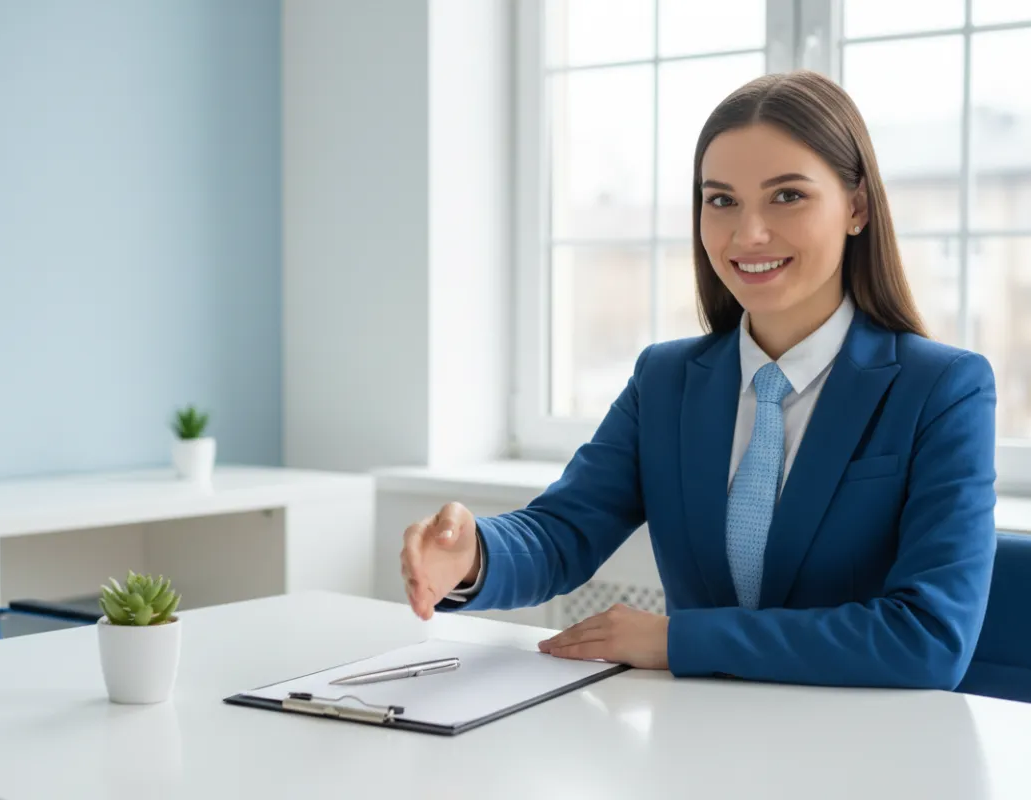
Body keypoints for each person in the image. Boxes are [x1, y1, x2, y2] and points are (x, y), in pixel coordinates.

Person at [398, 69, 997, 691]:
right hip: (696, 744)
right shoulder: (666, 380)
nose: (748, 233)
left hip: (867, 758)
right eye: (722, 200)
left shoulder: (943, 390)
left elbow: (928, 638)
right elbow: (563, 532)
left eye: (787, 196)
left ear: (857, 207)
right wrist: (471, 557)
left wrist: (676, 639)